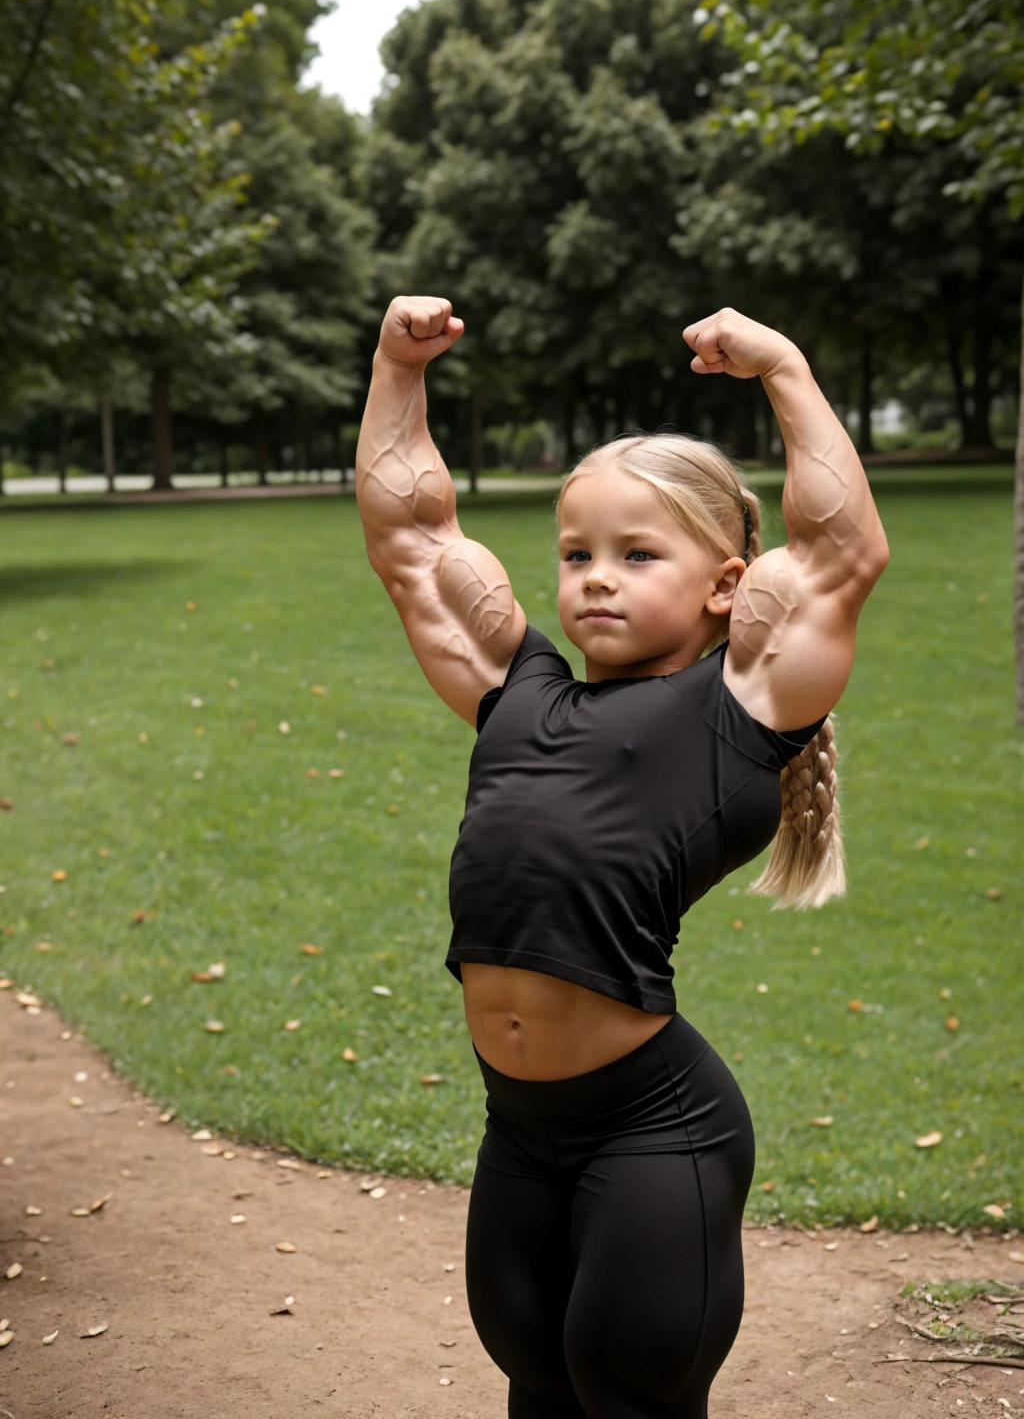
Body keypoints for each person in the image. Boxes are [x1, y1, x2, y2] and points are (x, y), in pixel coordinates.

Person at [355, 297, 889, 1419]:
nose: (595, 575)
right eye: (576, 552)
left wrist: (783, 367)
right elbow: (413, 541)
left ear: (729, 585)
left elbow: (839, 554)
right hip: (518, 1127)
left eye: (637, 553)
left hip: (658, 1131)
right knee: (537, 1379)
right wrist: (396, 368)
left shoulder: (739, 705)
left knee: (626, 1388)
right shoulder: (517, 692)